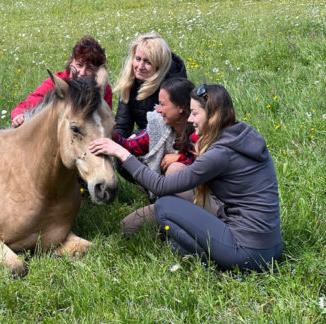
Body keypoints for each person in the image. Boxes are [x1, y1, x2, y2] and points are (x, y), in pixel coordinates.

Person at [89, 84, 282, 272]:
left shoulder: (221, 153)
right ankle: (198, 252)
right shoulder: (241, 135)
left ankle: (215, 263)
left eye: (195, 113)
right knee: (176, 244)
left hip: (246, 252)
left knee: (165, 205)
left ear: (213, 115)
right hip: (271, 248)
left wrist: (122, 154)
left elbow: (160, 186)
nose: (190, 119)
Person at [113, 78, 199, 237]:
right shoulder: (159, 125)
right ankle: (168, 221)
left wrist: (181, 159)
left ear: (181, 108)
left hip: (200, 202)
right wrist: (112, 136)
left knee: (175, 170)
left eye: (163, 104)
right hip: (167, 198)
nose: (158, 110)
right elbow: (133, 146)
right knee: (127, 227)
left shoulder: (200, 130)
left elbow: (207, 164)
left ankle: (182, 230)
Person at [11, 35, 113, 127]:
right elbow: (30, 102)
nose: (82, 72)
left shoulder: (103, 90)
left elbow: (105, 120)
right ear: (71, 62)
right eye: (79, 65)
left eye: (89, 69)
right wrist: (19, 115)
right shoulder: (57, 82)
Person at [114, 32, 187, 138]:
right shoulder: (130, 82)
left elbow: (167, 130)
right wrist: (116, 145)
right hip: (144, 140)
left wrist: (136, 135)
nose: (140, 66)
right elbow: (122, 127)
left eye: (148, 62)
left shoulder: (174, 89)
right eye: (138, 59)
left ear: (159, 65)